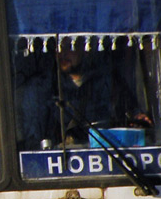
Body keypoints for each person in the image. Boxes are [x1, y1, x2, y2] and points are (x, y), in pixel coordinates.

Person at [18, 44, 148, 150]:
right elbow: (33, 140)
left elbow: (131, 114)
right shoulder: (42, 87)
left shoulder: (109, 82)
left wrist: (138, 119)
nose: (63, 53)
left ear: (85, 49)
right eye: (58, 47)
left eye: (70, 46)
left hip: (105, 157)